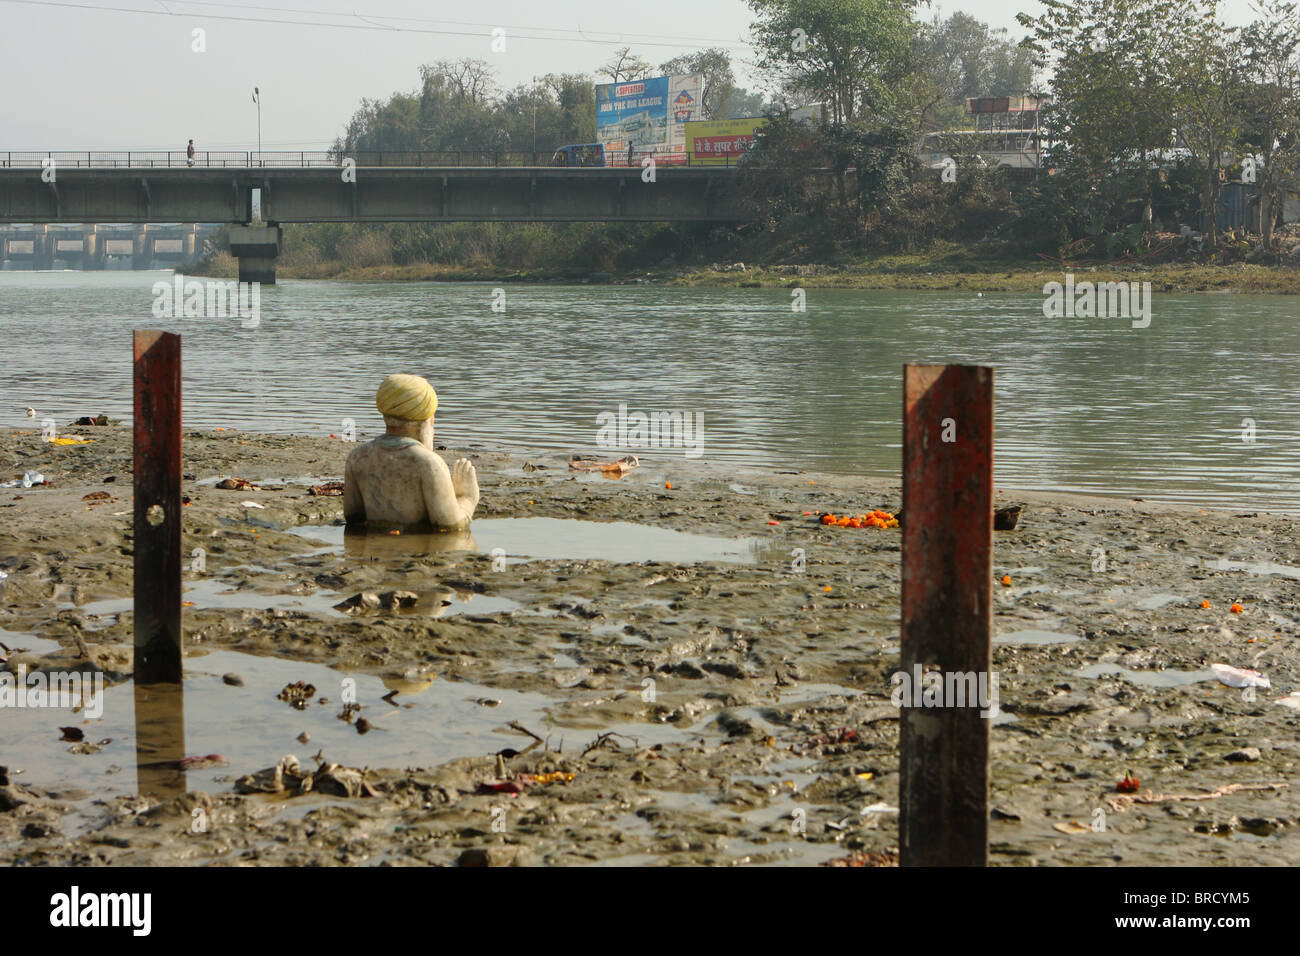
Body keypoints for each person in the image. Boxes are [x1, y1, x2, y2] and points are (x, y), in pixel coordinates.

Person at [343, 374, 480, 532]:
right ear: (430, 420)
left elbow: (353, 518)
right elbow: (449, 526)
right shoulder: (429, 463)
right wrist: (467, 498)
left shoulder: (357, 457)